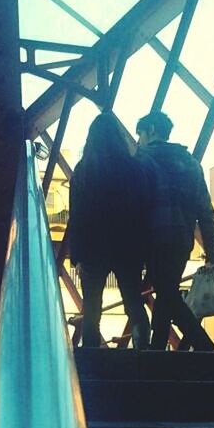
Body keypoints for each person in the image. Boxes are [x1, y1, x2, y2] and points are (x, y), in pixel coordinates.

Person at [135, 110, 214, 351]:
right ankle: (158, 349)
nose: (138, 141)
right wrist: (212, 253)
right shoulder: (192, 164)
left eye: (140, 134)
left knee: (167, 293)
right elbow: (205, 210)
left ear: (150, 130)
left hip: (151, 238)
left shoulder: (142, 161)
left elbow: (134, 204)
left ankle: (203, 344)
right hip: (182, 241)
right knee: (166, 291)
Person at [67, 113, 150, 349]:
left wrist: (78, 255)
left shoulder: (84, 170)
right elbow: (142, 209)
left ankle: (93, 358)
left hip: (94, 247)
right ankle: (145, 352)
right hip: (127, 245)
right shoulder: (134, 169)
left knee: (92, 307)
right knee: (134, 302)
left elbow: (78, 215)